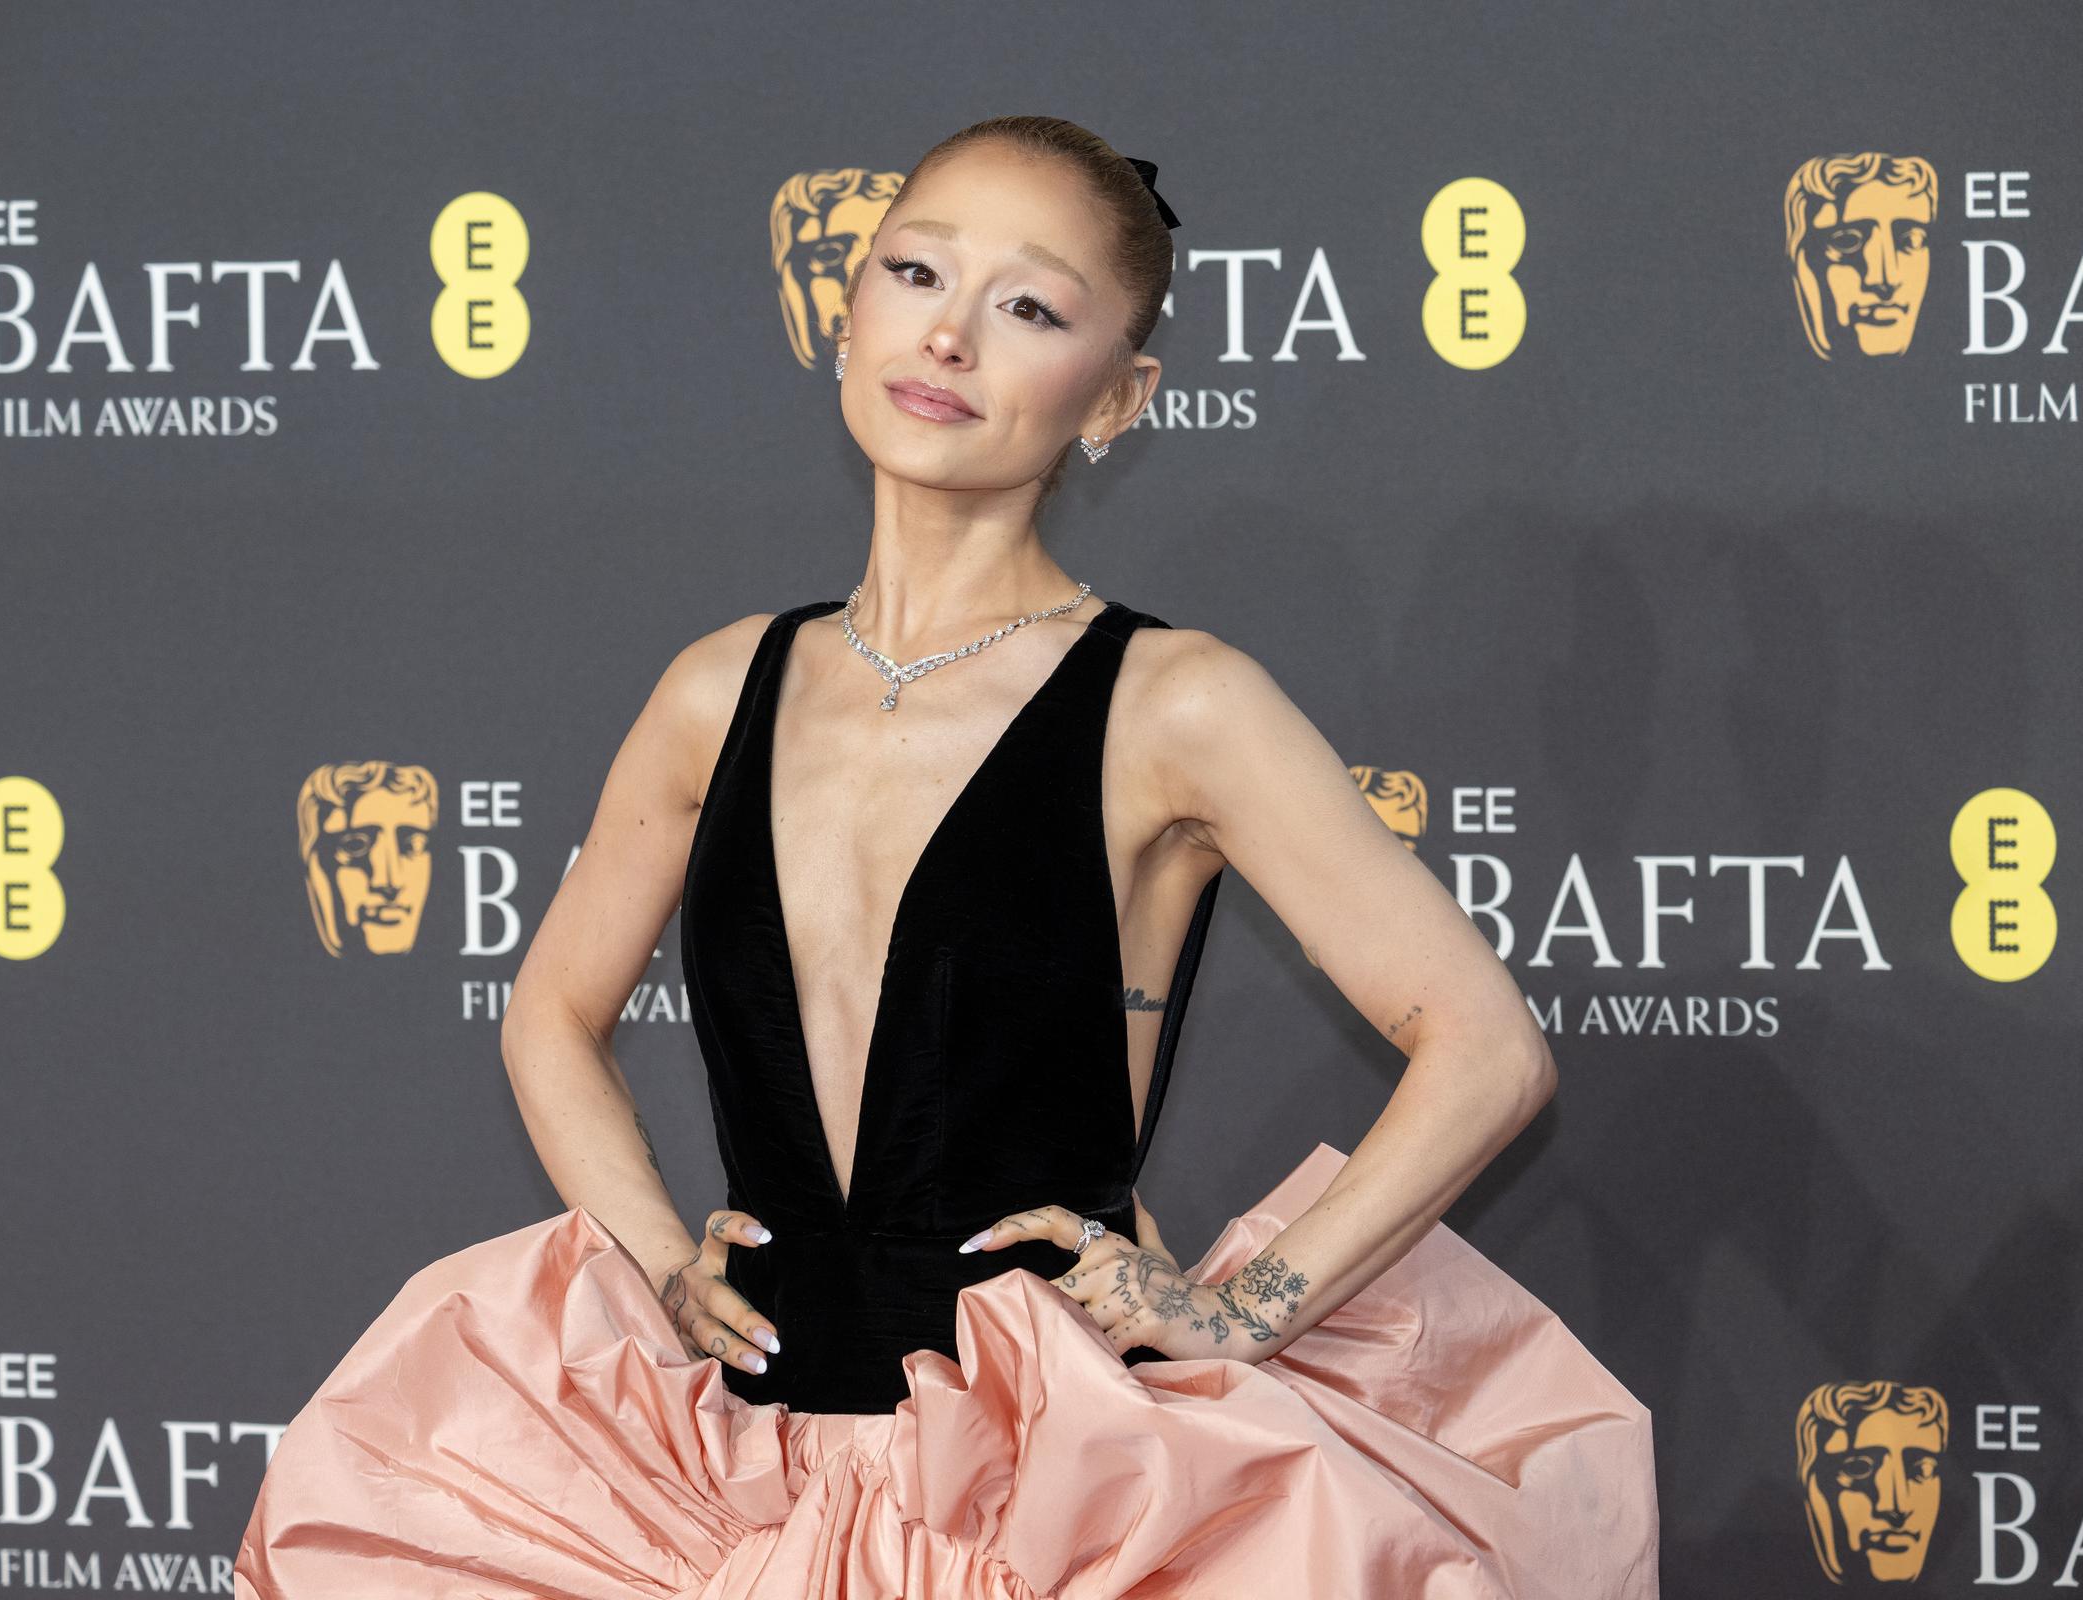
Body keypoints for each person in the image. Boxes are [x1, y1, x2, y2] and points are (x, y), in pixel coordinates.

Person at [235, 115, 1659, 1598]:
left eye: (1030, 307)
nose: (951, 335)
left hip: (1053, 1502)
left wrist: (1243, 1310)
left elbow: (1484, 1049)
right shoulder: (713, 691)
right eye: (915, 270)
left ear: (1118, 398)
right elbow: (551, 1013)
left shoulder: (1178, 705)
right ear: (847, 308)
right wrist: (663, 1262)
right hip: (737, 1484)